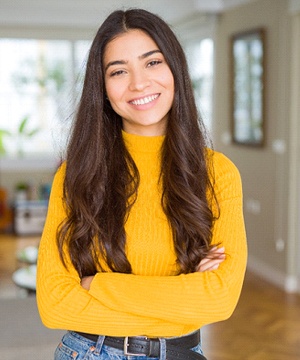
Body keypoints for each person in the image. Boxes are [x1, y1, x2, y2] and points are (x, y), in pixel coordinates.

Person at [36, 8, 247, 360]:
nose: (138, 83)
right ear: (102, 88)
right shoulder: (76, 174)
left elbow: (220, 299)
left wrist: (98, 285)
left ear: (175, 69)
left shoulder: (217, 173)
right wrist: (181, 298)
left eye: (152, 63)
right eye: (118, 71)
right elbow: (54, 305)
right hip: (92, 352)